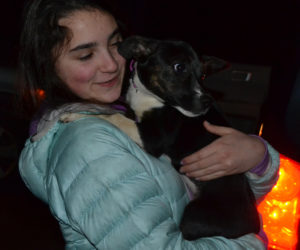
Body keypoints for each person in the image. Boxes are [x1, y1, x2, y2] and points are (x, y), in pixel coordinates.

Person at [18, 0, 279, 249]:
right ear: (48, 67)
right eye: (86, 55)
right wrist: (252, 243)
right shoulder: (91, 147)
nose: (111, 64)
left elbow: (229, 196)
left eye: (116, 45)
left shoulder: (123, 108)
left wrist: (257, 157)